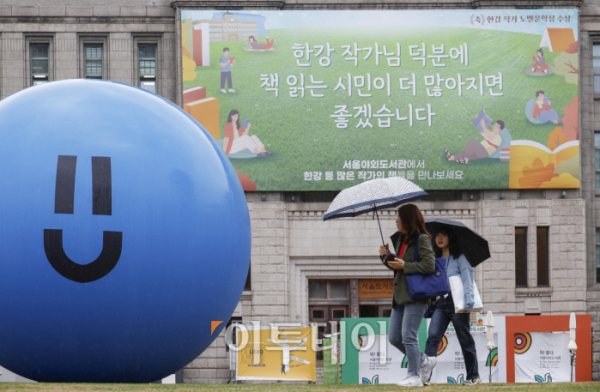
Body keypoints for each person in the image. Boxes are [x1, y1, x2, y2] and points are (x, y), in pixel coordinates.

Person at [378, 204, 436, 387]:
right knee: (395, 337)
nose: (396, 220)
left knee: (408, 335)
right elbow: (399, 267)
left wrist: (405, 265)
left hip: (416, 295)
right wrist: (386, 257)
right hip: (400, 296)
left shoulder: (422, 239)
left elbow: (429, 265)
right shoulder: (401, 240)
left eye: (398, 216)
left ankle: (414, 375)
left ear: (407, 219)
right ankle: (425, 361)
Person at [423, 227, 481, 386]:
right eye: (437, 235)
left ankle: (473, 376)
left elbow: (468, 280)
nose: (439, 238)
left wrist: (468, 304)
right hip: (441, 304)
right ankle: (425, 377)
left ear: (451, 238)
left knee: (464, 339)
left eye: (443, 235)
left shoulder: (460, 258)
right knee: (432, 337)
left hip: (458, 304)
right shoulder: (435, 259)